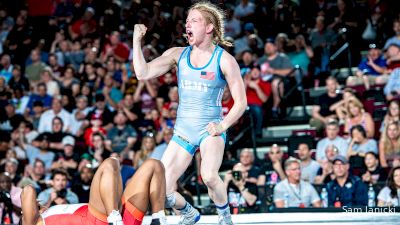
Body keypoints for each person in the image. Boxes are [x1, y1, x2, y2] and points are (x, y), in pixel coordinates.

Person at [132, 2, 247, 224]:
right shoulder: (178, 54)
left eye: (193, 20)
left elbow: (240, 103)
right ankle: (189, 212)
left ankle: (225, 217)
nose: (187, 25)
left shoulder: (224, 60)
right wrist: (137, 42)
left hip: (209, 129)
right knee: (159, 190)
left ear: (209, 27)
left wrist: (222, 126)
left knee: (210, 176)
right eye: (186, 21)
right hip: (183, 131)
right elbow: (142, 73)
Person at [21, 158, 168, 225]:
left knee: (154, 165)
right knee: (110, 163)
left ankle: (158, 218)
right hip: (97, 219)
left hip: (120, 216)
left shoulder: (46, 213)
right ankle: (114, 220)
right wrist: (27, 209)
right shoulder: (33, 223)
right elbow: (28, 190)